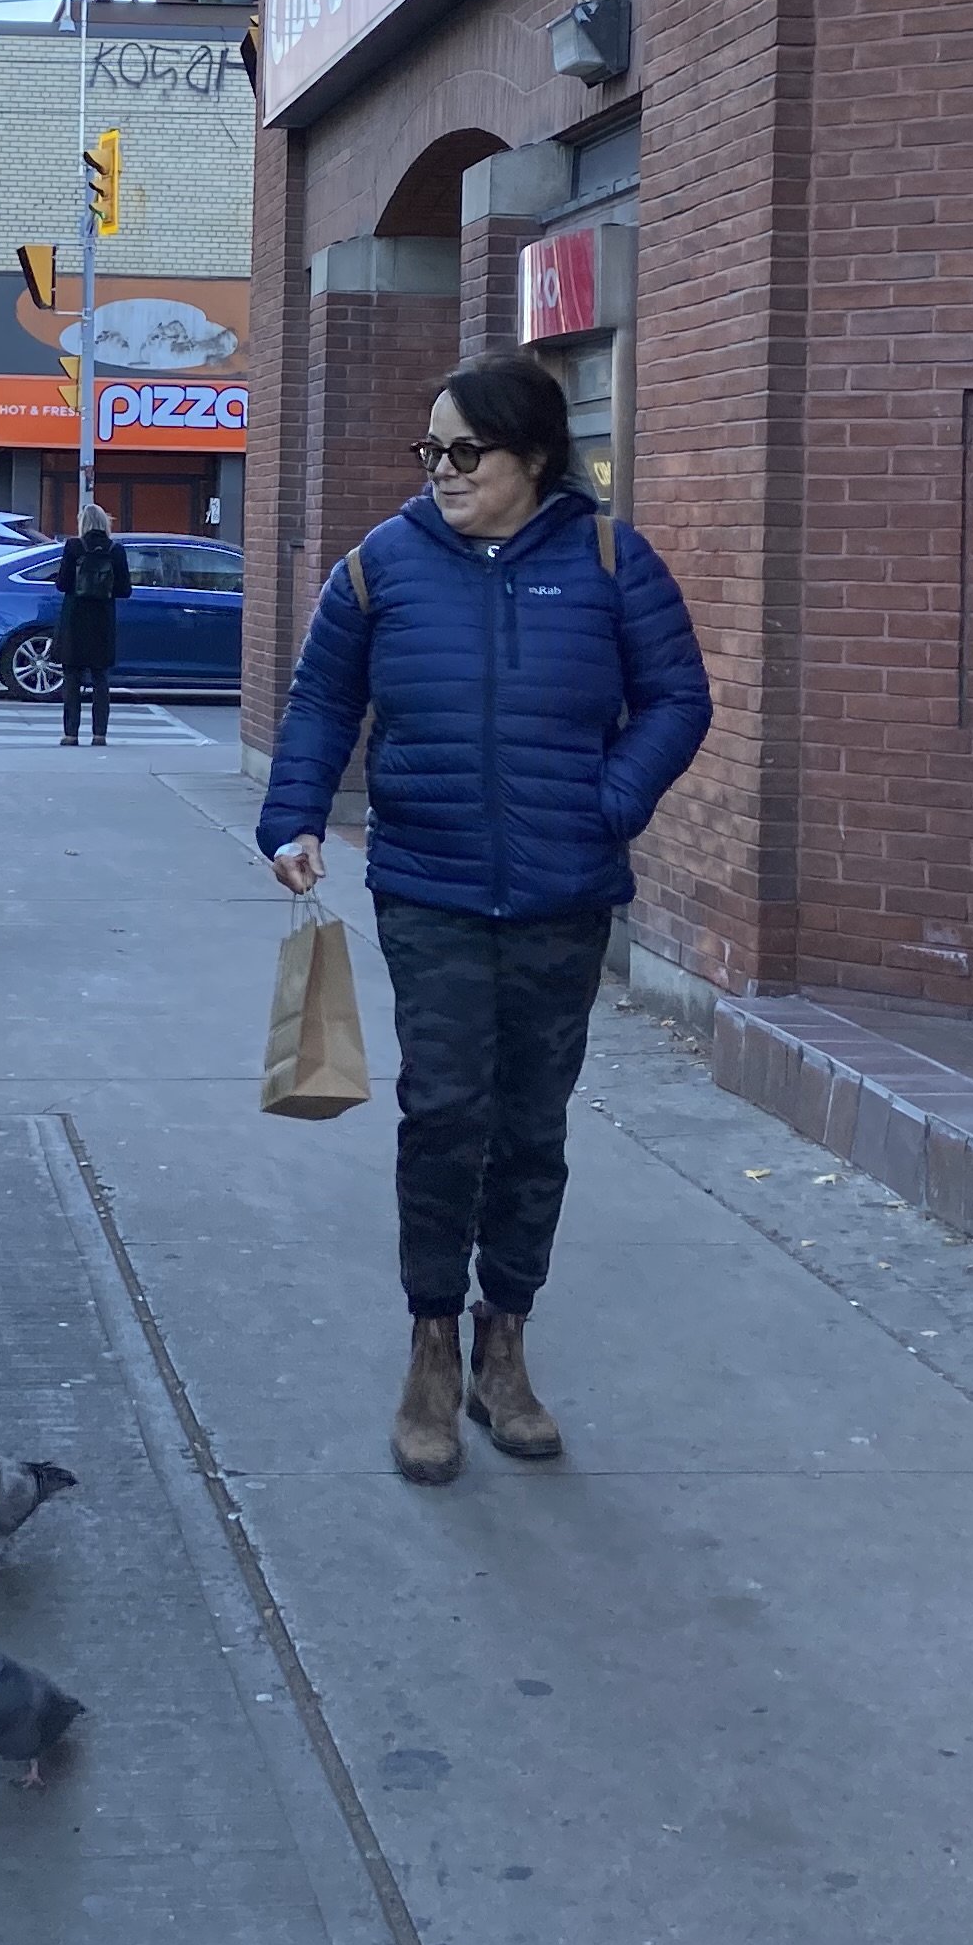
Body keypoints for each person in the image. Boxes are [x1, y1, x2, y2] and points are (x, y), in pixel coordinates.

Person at [257, 355, 712, 1488]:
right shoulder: (382, 567)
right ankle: (431, 1347)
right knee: (443, 1111)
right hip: (430, 889)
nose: (444, 472)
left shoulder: (612, 561)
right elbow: (322, 699)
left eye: (468, 452)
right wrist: (294, 817)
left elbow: (677, 698)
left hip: (563, 901)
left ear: (535, 458)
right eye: (433, 452)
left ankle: (505, 1344)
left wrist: (609, 803)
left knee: (532, 1126)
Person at [50, 499, 129, 747]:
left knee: (71, 677)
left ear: (82, 523)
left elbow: (62, 584)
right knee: (101, 679)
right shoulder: (116, 549)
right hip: (102, 621)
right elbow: (124, 590)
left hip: (75, 619)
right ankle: (99, 734)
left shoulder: (73, 547)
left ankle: (71, 734)